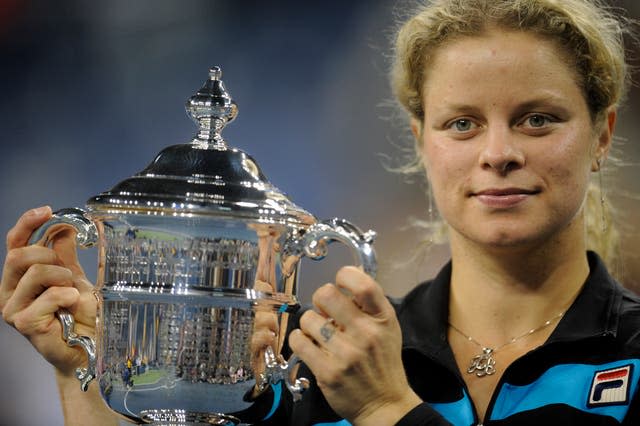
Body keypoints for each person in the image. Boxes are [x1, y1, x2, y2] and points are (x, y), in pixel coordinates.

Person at [1, 0, 639, 424]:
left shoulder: (362, 379)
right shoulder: (315, 365)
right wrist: (83, 368)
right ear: (422, 144)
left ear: (602, 135)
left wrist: (388, 408)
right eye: (462, 123)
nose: (498, 154)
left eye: (537, 119)